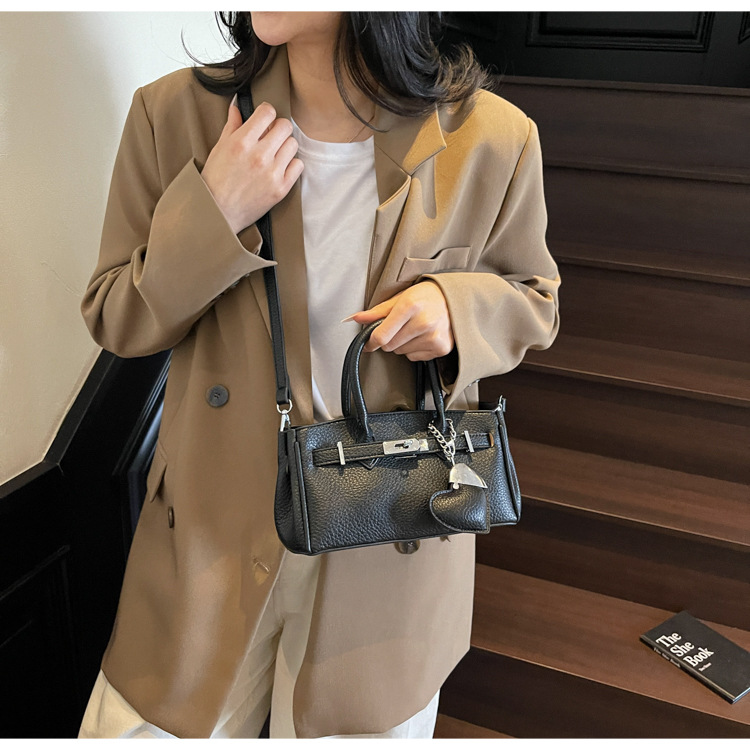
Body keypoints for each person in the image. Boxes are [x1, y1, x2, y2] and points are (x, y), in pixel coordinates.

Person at [78, 11, 560, 739]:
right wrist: (215, 211)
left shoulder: (491, 137)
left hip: (390, 527)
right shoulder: (174, 114)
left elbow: (534, 298)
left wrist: (455, 308)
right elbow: (116, 315)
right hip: (212, 524)